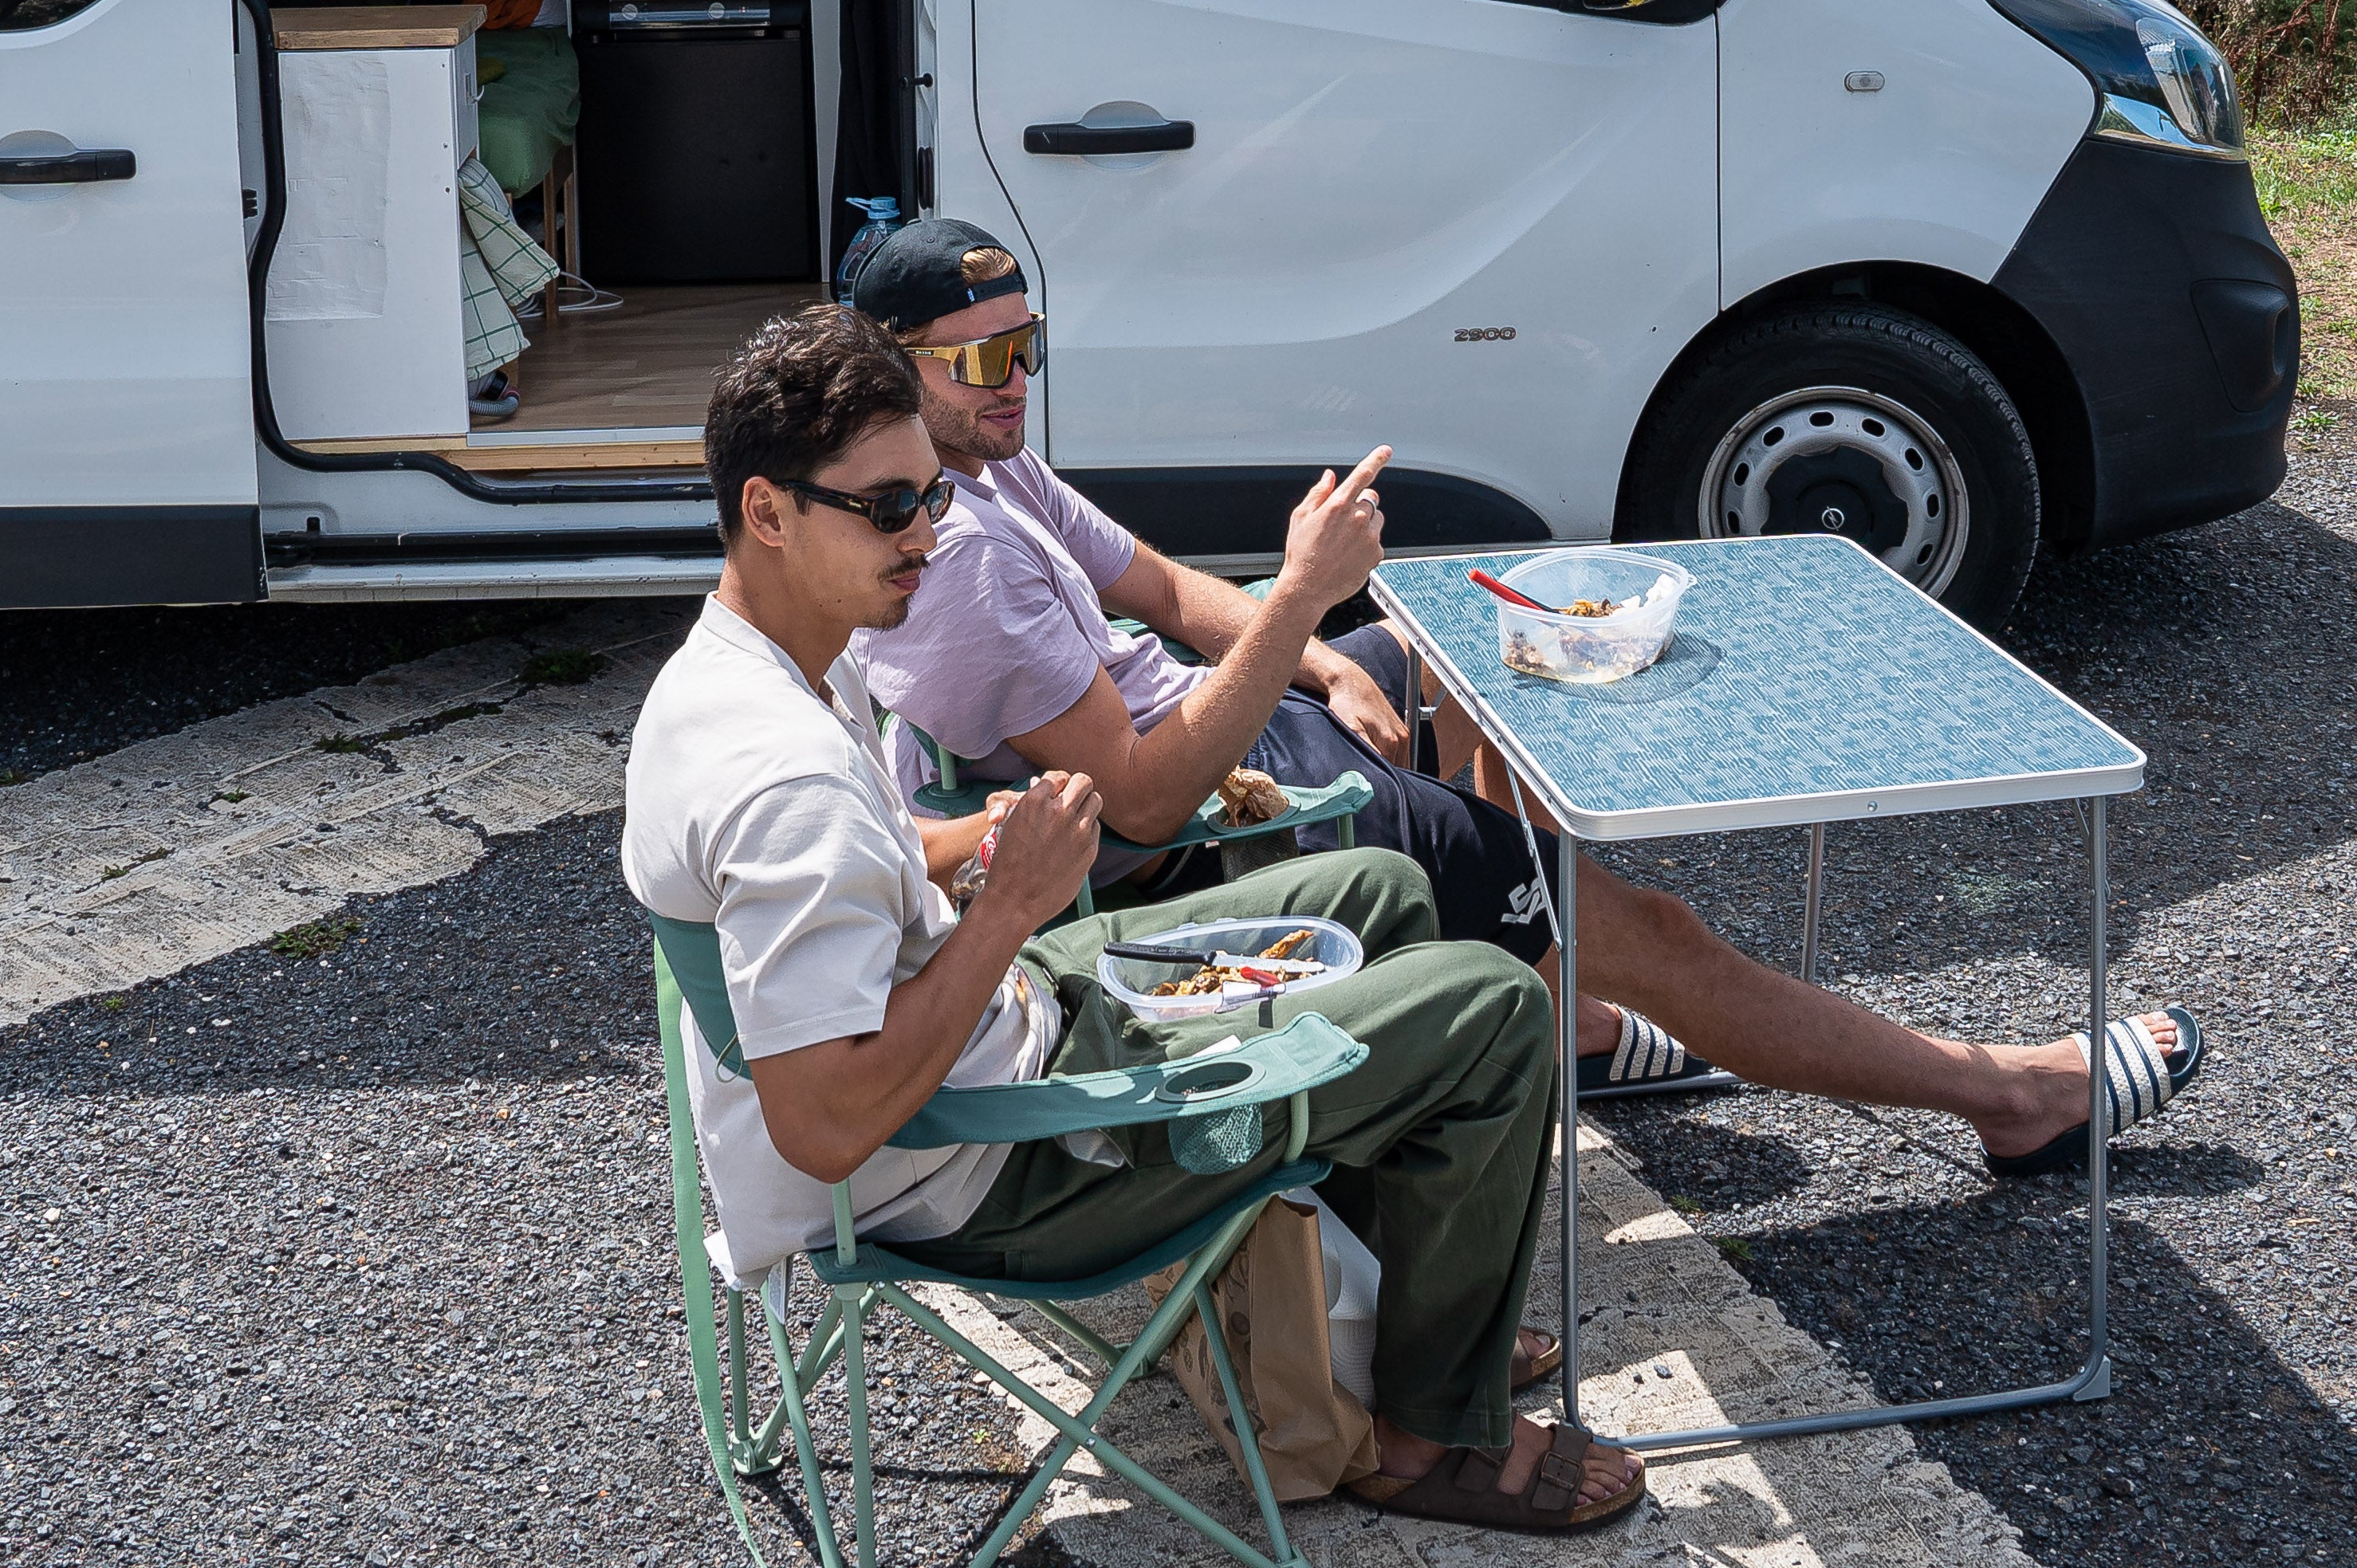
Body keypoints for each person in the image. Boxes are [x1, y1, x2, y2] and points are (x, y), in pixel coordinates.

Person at [833, 216, 2211, 1178]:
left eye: (1030, 346)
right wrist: (1303, 604)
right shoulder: (960, 566)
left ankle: (1558, 999)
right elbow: (1140, 800)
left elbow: (1162, 586)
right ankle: (2007, 1094)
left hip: (1228, 733)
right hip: (1213, 826)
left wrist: (1322, 654)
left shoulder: (975, 464)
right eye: (983, 361)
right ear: (893, 371)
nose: (1017, 383)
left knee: (1457, 658)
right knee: (1654, 928)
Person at [620, 305, 1650, 1535]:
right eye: (889, 508)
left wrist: (982, 839)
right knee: (1493, 1008)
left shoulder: (747, 665)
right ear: (768, 511)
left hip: (992, 1043)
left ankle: (1396, 1320)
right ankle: (1426, 1437)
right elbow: (827, 1122)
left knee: (1382, 893)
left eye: (931, 498)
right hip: (992, 1168)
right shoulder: (785, 784)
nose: (926, 536)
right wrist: (1010, 905)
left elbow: (871, 873)